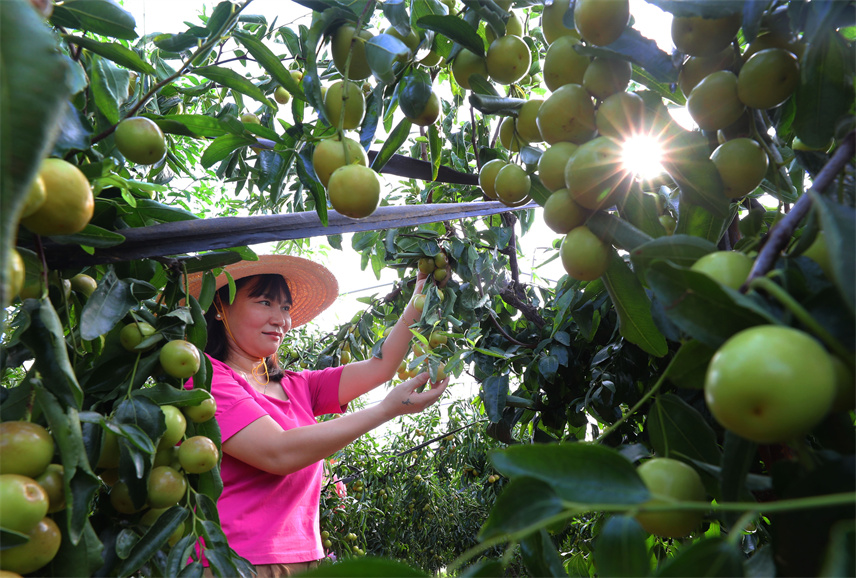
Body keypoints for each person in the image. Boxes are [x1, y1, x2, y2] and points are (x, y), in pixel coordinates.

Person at [185, 255, 447, 577]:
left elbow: (381, 366)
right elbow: (278, 451)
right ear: (220, 308)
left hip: (305, 560)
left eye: (284, 307)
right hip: (234, 562)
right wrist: (386, 409)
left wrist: (419, 301)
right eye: (265, 302)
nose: (280, 319)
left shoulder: (299, 386)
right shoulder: (207, 381)